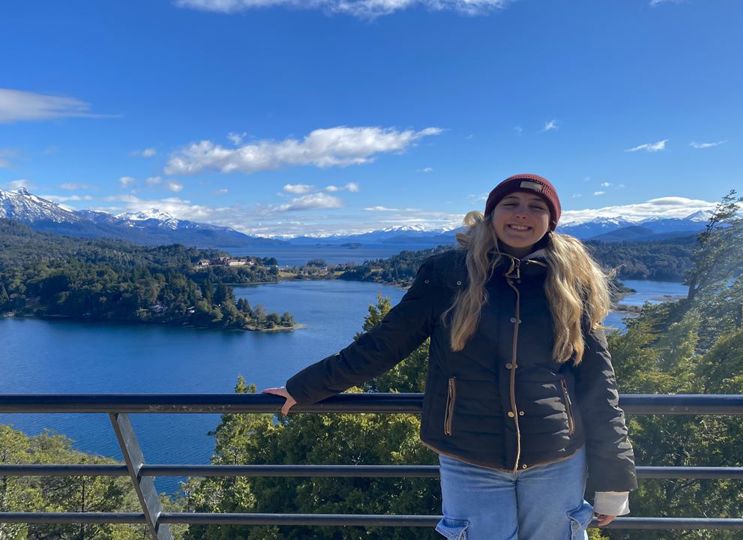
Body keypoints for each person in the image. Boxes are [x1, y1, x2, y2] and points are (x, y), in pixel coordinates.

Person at [264, 173, 637, 539]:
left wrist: (614, 481)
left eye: (536, 207)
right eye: (511, 204)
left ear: (551, 221)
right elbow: (384, 345)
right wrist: (305, 387)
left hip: (557, 454)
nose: (522, 214)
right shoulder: (447, 274)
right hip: (470, 455)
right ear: (491, 213)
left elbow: (597, 383)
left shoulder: (571, 281)